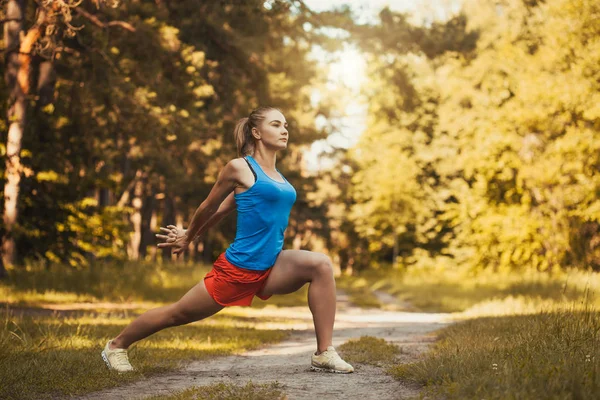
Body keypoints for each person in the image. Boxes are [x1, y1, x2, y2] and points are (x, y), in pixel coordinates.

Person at [100, 106, 354, 374]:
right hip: (239, 269)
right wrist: (188, 236)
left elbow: (223, 211)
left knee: (321, 265)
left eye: (286, 125)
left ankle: (324, 352)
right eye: (276, 125)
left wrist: (191, 234)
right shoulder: (240, 168)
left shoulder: (279, 177)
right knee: (177, 314)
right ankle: (116, 346)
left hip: (272, 266)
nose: (284, 130)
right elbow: (211, 207)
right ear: (256, 132)